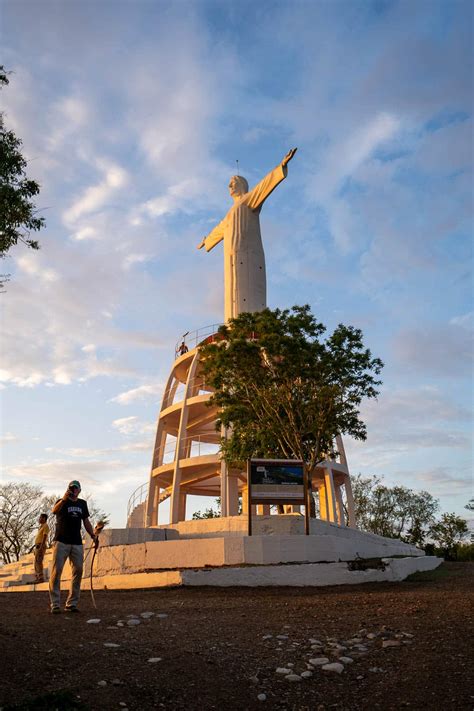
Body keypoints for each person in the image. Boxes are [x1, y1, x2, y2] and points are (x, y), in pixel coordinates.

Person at [197, 148, 297, 322]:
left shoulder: (249, 199)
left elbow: (264, 185)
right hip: (231, 256)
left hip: (250, 254)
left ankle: (251, 325)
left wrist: (281, 166)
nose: (229, 186)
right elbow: (219, 229)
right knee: (232, 288)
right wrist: (206, 242)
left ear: (242, 185)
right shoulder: (230, 214)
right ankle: (233, 326)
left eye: (232, 182)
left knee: (248, 290)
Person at [49, 480, 96, 614]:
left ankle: (72, 603)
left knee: (78, 571)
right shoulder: (61, 502)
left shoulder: (82, 504)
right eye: (71, 487)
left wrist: (92, 534)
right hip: (61, 541)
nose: (73, 489)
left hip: (76, 542)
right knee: (56, 571)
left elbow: (86, 520)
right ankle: (55, 603)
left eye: (75, 488)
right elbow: (54, 510)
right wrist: (64, 499)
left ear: (79, 490)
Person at [33, 513, 49, 583]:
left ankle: (40, 578)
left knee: (39, 562)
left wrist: (41, 546)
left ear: (44, 519)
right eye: (39, 518)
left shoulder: (45, 526)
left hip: (40, 545)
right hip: (37, 545)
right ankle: (37, 577)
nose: (39, 519)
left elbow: (45, 536)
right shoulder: (41, 527)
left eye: (41, 518)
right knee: (36, 562)